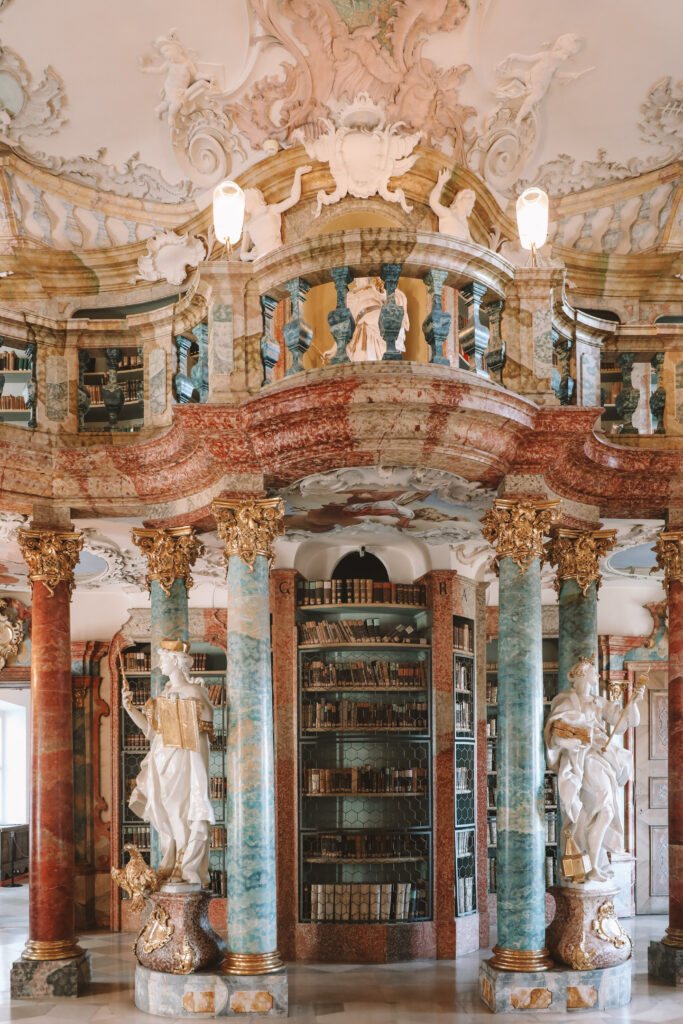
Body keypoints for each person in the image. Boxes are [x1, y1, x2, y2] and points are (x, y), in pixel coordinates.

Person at [122, 638, 215, 887]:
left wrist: (188, 709)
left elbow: (207, 719)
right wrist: (130, 709)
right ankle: (171, 859)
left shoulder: (193, 691)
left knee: (181, 809)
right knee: (164, 810)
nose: (160, 663)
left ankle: (184, 865)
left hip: (183, 758)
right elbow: (151, 732)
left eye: (163, 658)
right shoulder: (163, 693)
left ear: (175, 661)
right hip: (162, 758)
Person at [544, 656, 645, 882]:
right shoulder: (567, 700)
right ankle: (589, 864)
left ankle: (594, 861)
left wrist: (635, 701)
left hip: (602, 755)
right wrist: (574, 742)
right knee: (596, 808)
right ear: (582, 674)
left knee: (606, 810)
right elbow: (554, 736)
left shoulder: (599, 702)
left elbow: (627, 721)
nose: (598, 675)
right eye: (593, 672)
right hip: (583, 758)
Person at [428, 170, 475, 242]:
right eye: (468, 197)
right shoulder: (449, 214)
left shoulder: (465, 226)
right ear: (459, 199)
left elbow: (473, 248)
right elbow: (433, 202)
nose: (471, 201)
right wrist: (440, 183)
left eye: (472, 200)